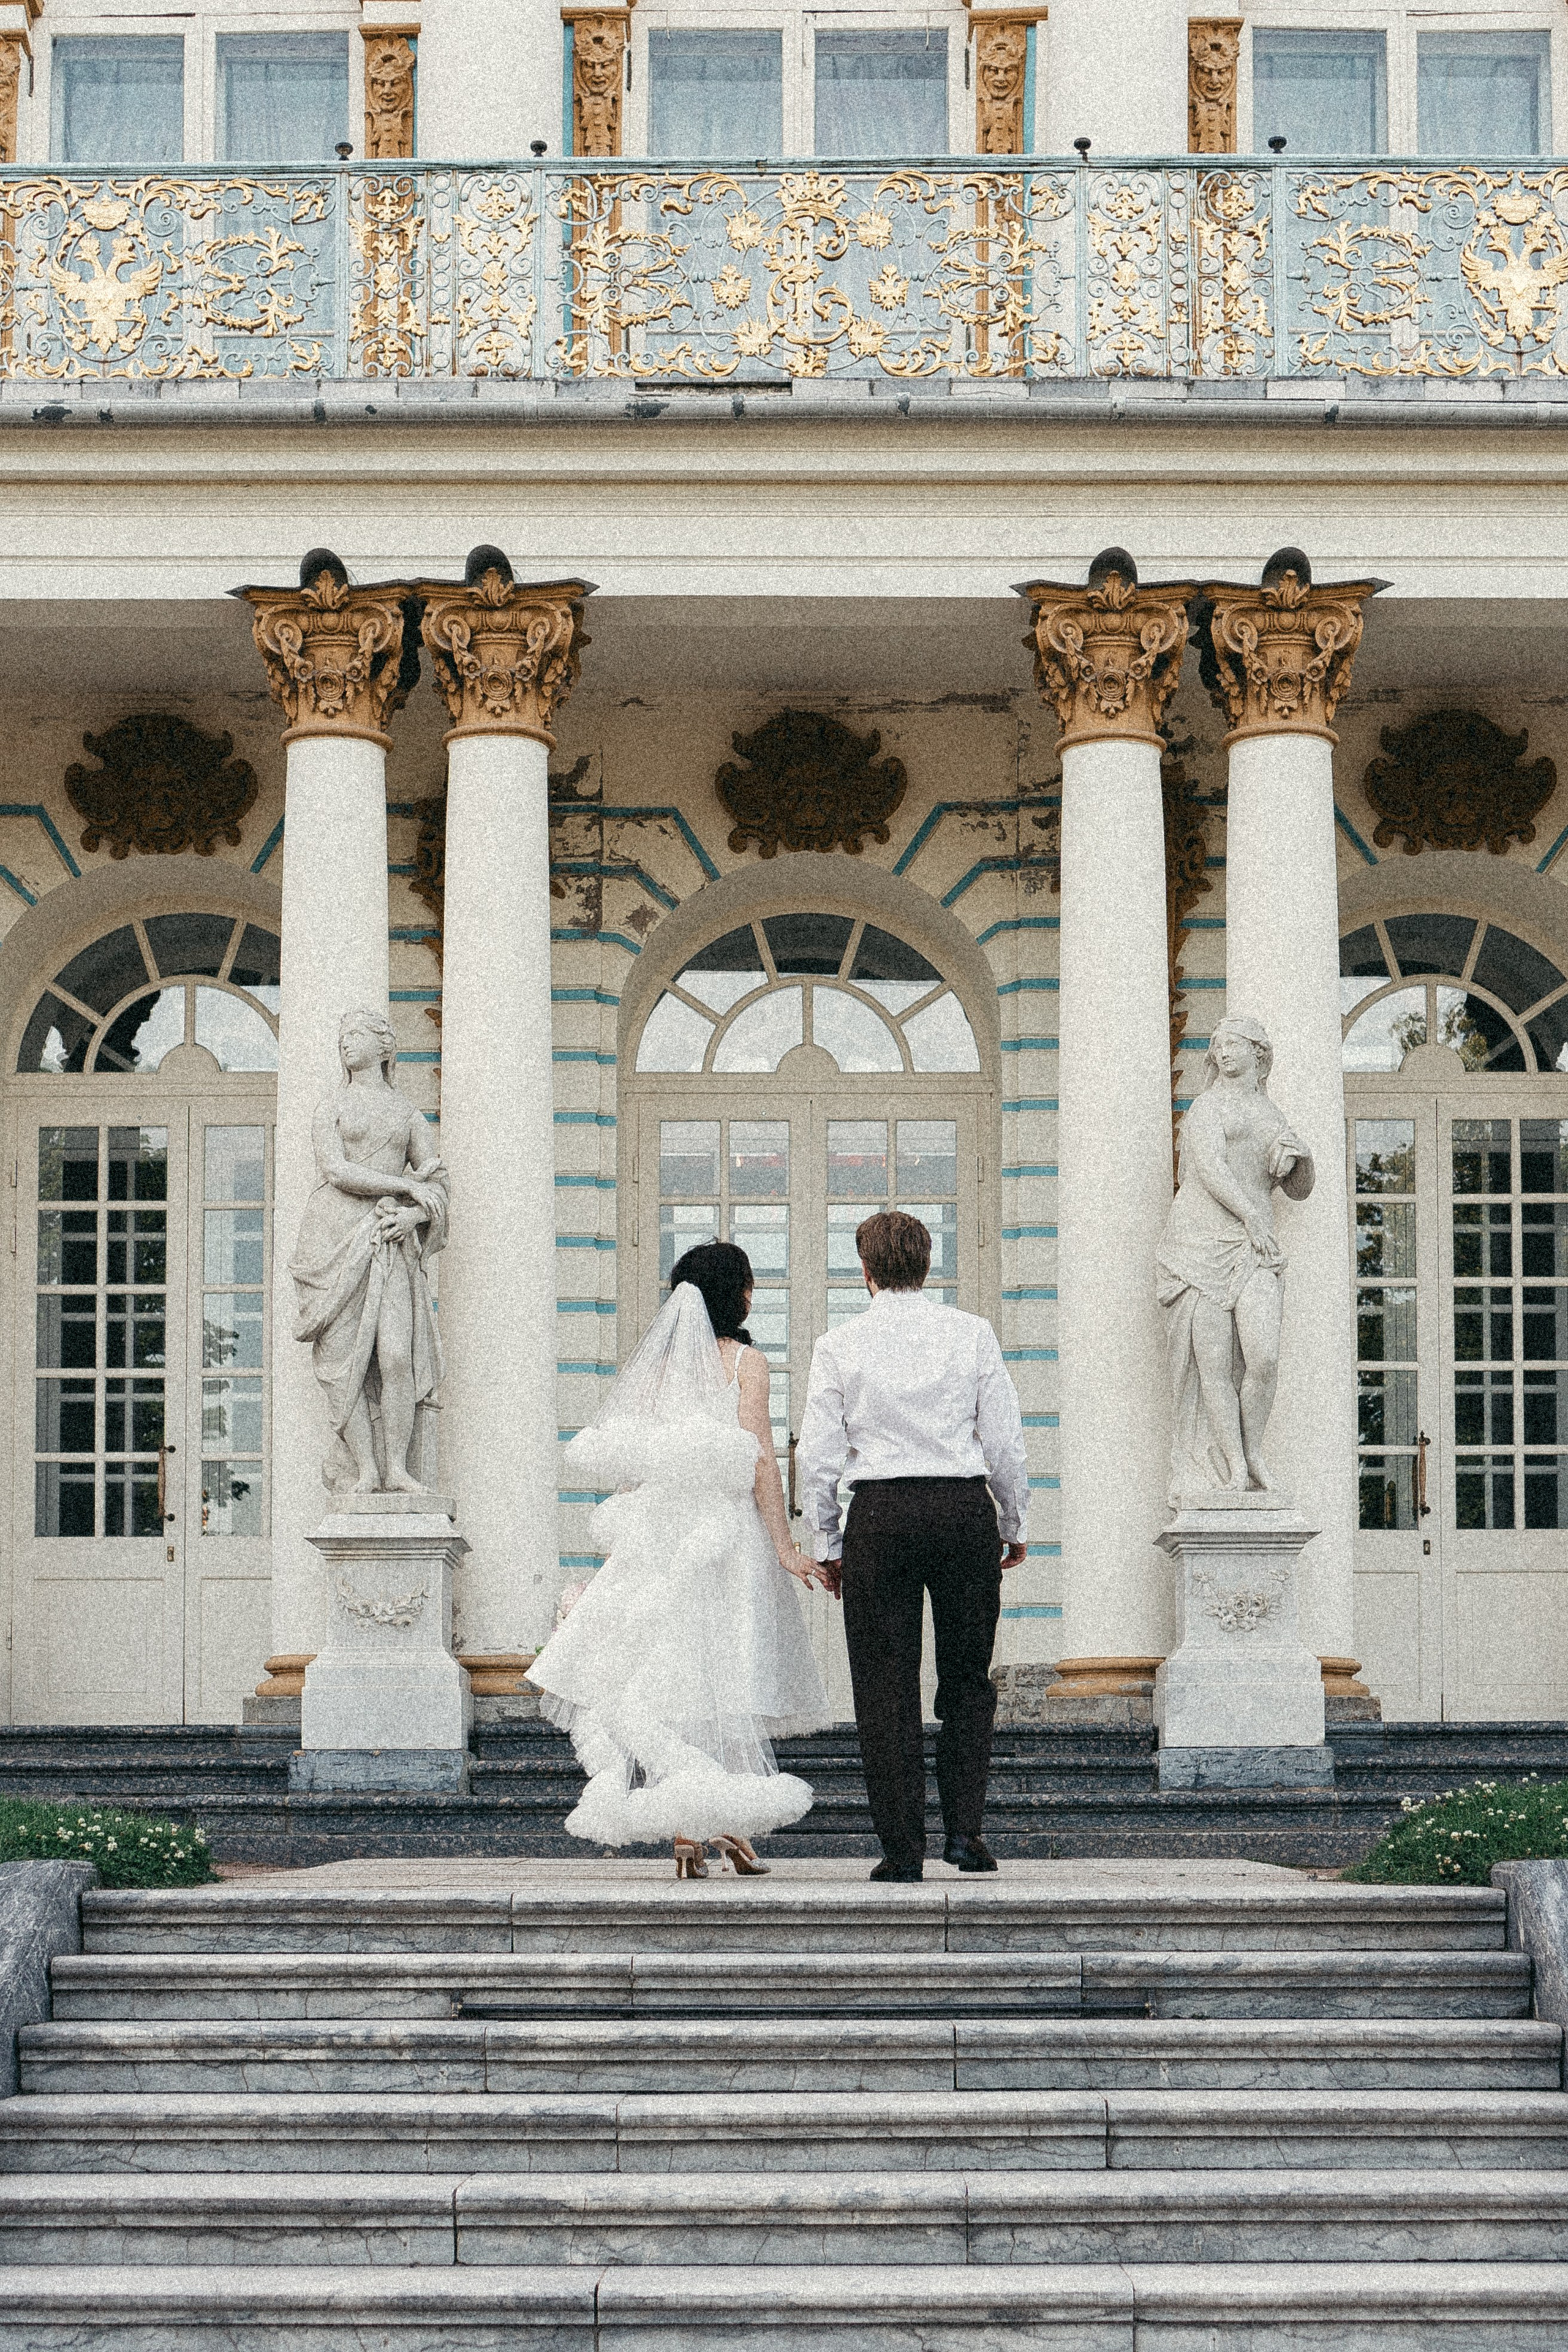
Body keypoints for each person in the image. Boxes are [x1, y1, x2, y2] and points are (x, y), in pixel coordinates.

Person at [527, 1242, 831, 1878]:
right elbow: (759, 1458)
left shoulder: (657, 1369)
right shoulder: (745, 1362)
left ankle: (694, 1827)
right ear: (738, 1295)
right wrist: (784, 1546)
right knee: (720, 1675)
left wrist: (627, 1539)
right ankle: (713, 1819)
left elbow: (635, 1464)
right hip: (724, 1537)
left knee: (671, 1677)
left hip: (661, 1535)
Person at [796, 1209, 1028, 1882]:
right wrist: (1012, 1523)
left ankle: (902, 1850)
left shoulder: (838, 1345)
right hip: (961, 1510)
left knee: (884, 1686)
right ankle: (966, 1835)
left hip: (882, 1515)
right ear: (928, 1266)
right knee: (968, 1678)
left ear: (864, 1271)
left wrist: (827, 1540)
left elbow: (817, 1456)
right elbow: (1004, 1440)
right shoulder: (972, 1334)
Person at [1155, 1012, 1313, 1504]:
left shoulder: (1272, 1114)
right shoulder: (1207, 1106)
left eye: (1233, 1044)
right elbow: (1209, 1168)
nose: (1223, 1052)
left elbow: (1298, 1190)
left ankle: (1255, 1449)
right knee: (1214, 1365)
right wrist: (1251, 1217)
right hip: (1200, 1242)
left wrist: (1304, 1158)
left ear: (1258, 1053)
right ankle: (1236, 1466)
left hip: (1253, 1245)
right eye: (1218, 1045)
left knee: (1263, 1356)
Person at [290, 1006, 448, 1495]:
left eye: (357, 1034)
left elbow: (439, 1183)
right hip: (332, 1236)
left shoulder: (408, 1114)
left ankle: (397, 1467)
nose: (346, 1042)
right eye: (343, 1035)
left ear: (385, 1046)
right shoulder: (331, 1107)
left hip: (388, 1238)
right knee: (344, 1365)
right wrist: (404, 1185)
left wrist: (413, 1217)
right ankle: (366, 1470)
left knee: (396, 1356)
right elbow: (336, 1170)